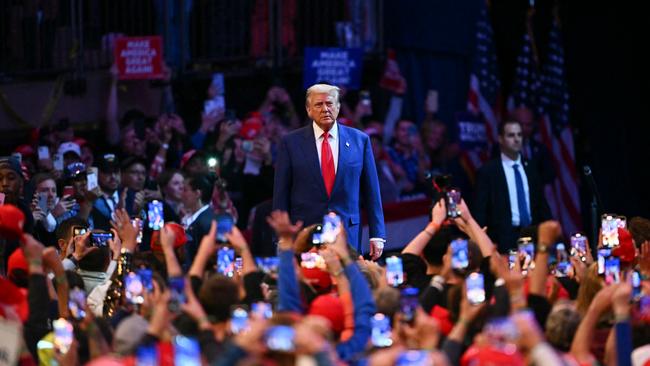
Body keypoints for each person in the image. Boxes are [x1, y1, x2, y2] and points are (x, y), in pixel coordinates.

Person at [272, 83, 385, 259]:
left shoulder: (360, 141)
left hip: (347, 232)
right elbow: (281, 193)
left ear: (338, 107)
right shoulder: (290, 143)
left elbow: (372, 191)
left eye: (330, 103)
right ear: (309, 110)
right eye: (318, 104)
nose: (325, 109)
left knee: (348, 283)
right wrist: (281, 237)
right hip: (305, 233)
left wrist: (377, 233)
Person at [473, 120, 551, 252]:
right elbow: (480, 210)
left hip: (532, 235)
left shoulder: (531, 167)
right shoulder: (489, 171)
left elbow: (540, 203)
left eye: (519, 135)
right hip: (503, 239)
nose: (516, 139)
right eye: (511, 135)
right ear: (501, 139)